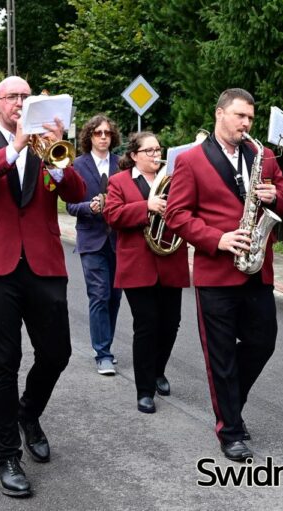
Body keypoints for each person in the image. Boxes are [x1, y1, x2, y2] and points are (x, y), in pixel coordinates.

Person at [0, 76, 85, 497]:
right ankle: (8, 457)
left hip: (43, 262)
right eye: (12, 97)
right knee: (3, 362)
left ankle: (29, 413)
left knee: (57, 353)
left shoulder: (49, 145)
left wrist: (58, 156)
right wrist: (13, 145)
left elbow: (77, 193)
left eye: (25, 97)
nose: (19, 102)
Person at [165, 88, 283, 461]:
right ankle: (231, 431)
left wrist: (274, 197)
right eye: (240, 116)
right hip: (216, 273)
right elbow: (176, 215)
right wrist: (218, 239)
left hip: (257, 270)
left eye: (251, 119)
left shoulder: (264, 156)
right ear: (220, 113)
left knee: (263, 341)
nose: (246, 124)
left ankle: (229, 404)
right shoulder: (191, 160)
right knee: (220, 354)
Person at [103, 131, 191, 413]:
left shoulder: (175, 180)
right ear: (134, 156)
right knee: (146, 324)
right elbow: (112, 215)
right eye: (149, 151)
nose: (156, 155)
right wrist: (146, 206)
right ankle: (144, 390)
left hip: (170, 259)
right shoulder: (118, 182)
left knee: (171, 323)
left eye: (158, 150)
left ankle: (157, 370)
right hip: (138, 265)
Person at [66, 114, 123, 376]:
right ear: (89, 136)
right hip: (91, 239)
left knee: (114, 297)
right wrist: (89, 207)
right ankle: (103, 353)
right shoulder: (78, 165)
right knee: (99, 294)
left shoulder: (121, 163)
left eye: (107, 133)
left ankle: (106, 344)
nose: (103, 137)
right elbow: (69, 205)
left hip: (118, 240)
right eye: (98, 133)